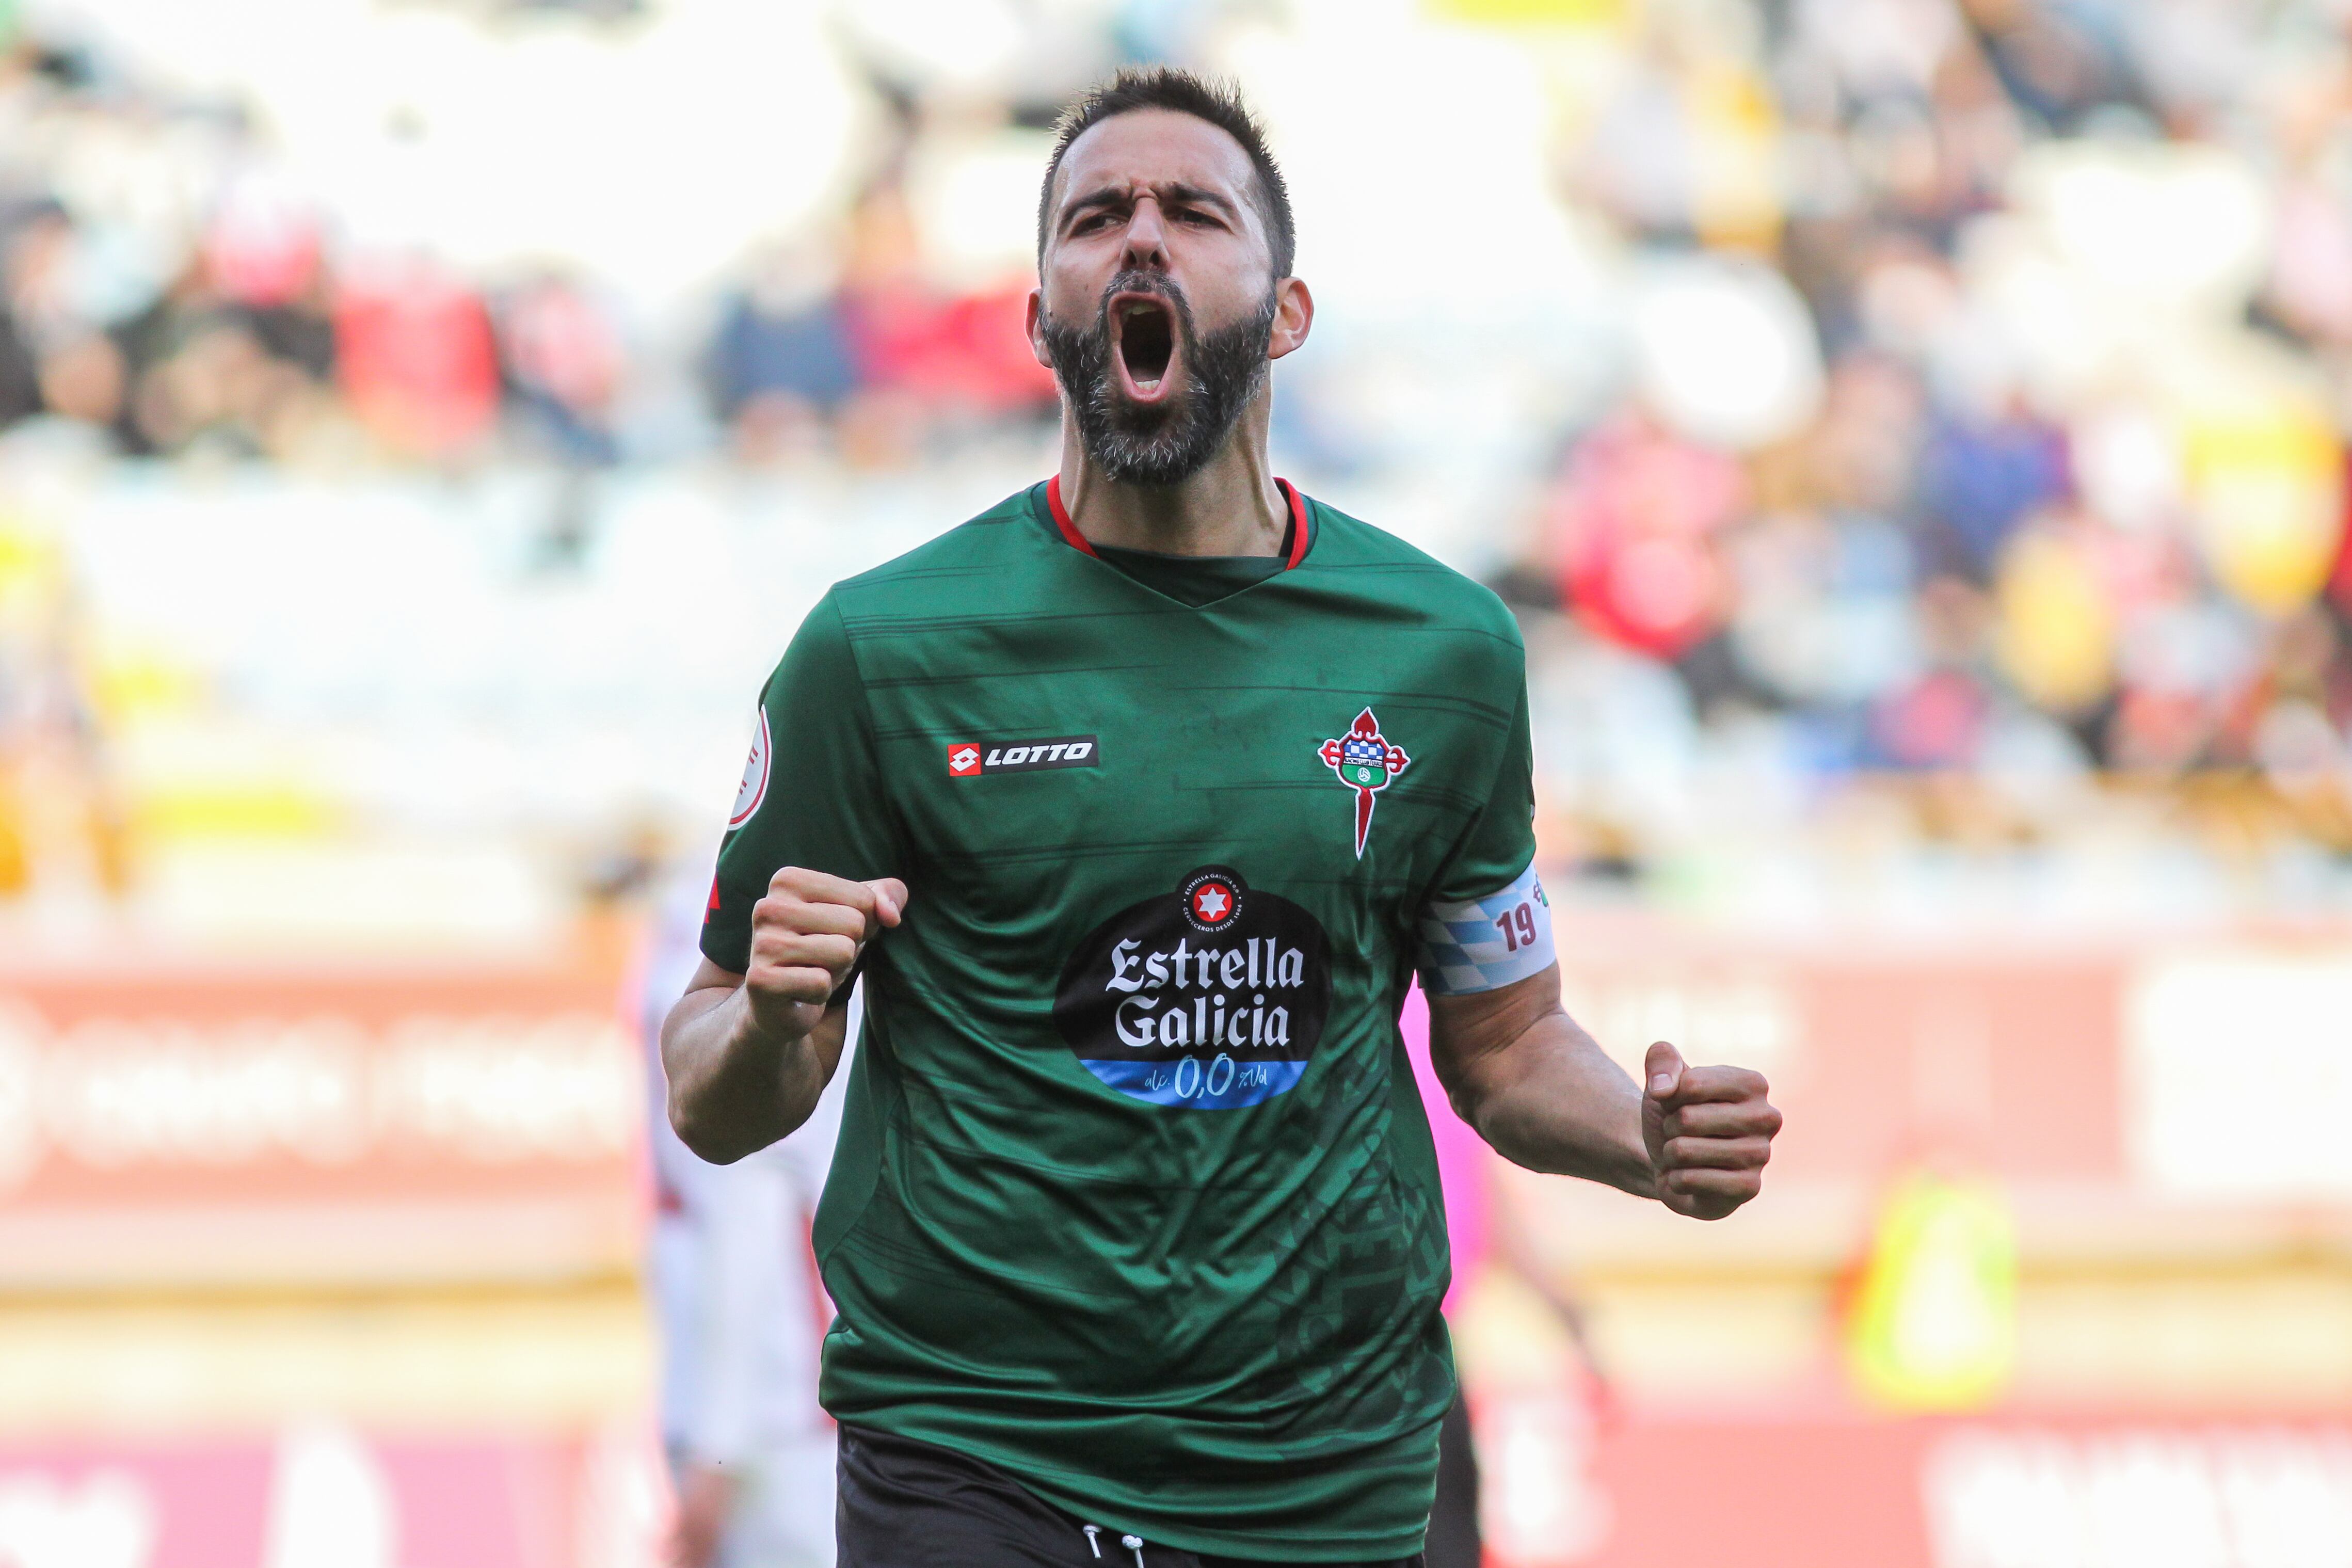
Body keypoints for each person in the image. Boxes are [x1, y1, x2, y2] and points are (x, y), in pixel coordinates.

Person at [662, 69, 1782, 1567]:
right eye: (1092, 217)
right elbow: (712, 1077)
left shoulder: (1440, 653)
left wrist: (1640, 1138)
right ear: (1037, 308)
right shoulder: (879, 652)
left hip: (1322, 1468)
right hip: (972, 1454)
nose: (1137, 241)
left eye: (1190, 211)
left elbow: (1504, 1044)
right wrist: (773, 1025)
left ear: (1288, 308)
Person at [640, 854, 853, 1568]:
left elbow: (742, 1213)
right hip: (789, 1406)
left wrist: (714, 1444)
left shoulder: (697, 951)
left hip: (777, 1416)